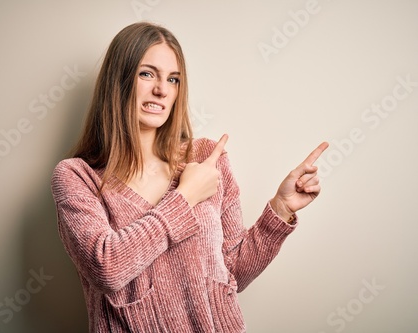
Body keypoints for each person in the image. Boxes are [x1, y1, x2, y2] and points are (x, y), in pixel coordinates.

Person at [51, 22, 328, 332]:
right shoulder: (77, 177)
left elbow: (233, 270)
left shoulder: (207, 158)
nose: (162, 89)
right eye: (147, 74)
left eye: (173, 79)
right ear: (118, 81)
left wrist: (281, 208)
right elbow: (107, 267)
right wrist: (184, 198)